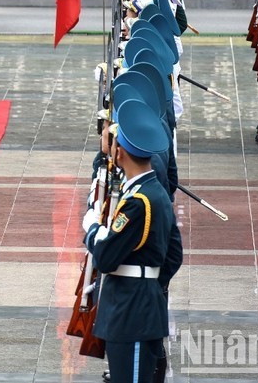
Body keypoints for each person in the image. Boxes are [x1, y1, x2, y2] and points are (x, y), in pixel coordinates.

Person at [83, 99, 182, 383]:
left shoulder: (137, 202)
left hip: (131, 310)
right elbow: (174, 254)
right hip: (140, 302)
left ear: (120, 152)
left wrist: (92, 230)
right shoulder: (154, 192)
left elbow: (104, 257)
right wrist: (149, 281)